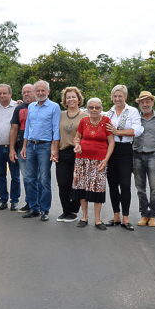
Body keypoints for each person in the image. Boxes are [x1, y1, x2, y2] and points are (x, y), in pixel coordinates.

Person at [72, 98, 115, 230]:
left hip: (100, 161)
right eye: (91, 107)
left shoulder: (106, 121)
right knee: (82, 187)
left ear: (101, 108)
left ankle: (97, 219)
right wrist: (77, 145)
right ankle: (84, 217)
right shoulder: (83, 121)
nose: (94, 110)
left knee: (98, 188)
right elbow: (77, 137)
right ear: (88, 109)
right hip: (82, 159)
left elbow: (111, 142)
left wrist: (106, 159)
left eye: (97, 107)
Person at [104, 85, 143, 230]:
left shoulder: (132, 111)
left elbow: (137, 131)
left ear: (125, 97)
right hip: (111, 150)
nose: (117, 98)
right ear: (112, 98)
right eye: (115, 96)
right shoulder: (109, 113)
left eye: (120, 96)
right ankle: (116, 215)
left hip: (125, 149)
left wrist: (117, 132)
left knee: (125, 184)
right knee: (112, 184)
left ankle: (126, 217)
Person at [21, 80, 60, 221]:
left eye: (43, 90)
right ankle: (34, 208)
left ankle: (45, 210)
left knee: (44, 180)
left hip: (45, 147)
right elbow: (27, 128)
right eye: (38, 91)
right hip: (31, 145)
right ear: (35, 92)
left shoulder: (54, 107)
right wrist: (24, 146)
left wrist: (54, 149)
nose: (40, 93)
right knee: (30, 179)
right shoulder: (31, 107)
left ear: (48, 91)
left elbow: (56, 129)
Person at [56, 86, 87, 222]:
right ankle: (65, 210)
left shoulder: (85, 116)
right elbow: (55, 134)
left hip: (79, 152)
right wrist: (54, 150)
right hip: (63, 152)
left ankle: (74, 212)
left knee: (77, 183)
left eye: (73, 96)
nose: (71, 99)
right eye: (68, 97)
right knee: (63, 183)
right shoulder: (60, 115)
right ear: (65, 100)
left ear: (78, 99)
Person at [132, 90, 155, 227]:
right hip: (137, 154)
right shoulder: (135, 119)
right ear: (139, 104)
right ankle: (144, 214)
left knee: (154, 187)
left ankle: (153, 215)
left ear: (152, 102)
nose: (145, 104)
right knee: (140, 187)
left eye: (147, 101)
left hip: (154, 155)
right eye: (142, 102)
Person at [0, 84, 20, 211]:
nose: (2, 96)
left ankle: (14, 200)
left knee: (15, 175)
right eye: (0, 93)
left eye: (4, 93)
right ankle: (3, 200)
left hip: (12, 147)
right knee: (0, 175)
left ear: (10, 94)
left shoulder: (17, 106)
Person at [9, 83, 35, 213]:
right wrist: (12, 149)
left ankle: (40, 204)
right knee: (26, 177)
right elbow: (14, 130)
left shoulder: (41, 107)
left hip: (39, 147)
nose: (26, 94)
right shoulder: (19, 108)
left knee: (40, 178)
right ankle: (30, 202)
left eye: (29, 92)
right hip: (21, 148)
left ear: (35, 92)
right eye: (24, 92)